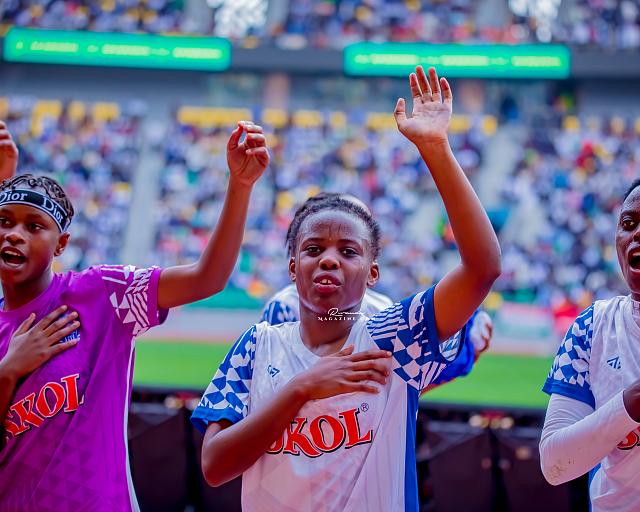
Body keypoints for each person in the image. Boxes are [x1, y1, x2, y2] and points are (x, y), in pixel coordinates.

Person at [192, 66, 501, 511]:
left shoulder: (393, 336)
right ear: (292, 267)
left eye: (349, 251)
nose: (329, 259)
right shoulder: (258, 345)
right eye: (314, 248)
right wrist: (302, 387)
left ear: (373, 273)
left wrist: (435, 148)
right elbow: (214, 465)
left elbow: (482, 268)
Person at [0, 121, 269, 511]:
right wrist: (9, 371)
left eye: (34, 226)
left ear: (61, 244)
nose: (14, 234)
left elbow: (207, 277)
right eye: (4, 221)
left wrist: (240, 187)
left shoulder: (101, 294)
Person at [261, 192, 494, 393]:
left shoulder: (382, 307)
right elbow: (271, 391)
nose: (330, 259)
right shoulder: (285, 307)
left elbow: (398, 389)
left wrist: (467, 352)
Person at [540, 178, 640, 512]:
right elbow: (554, 463)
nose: (636, 234)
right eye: (628, 224)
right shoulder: (593, 326)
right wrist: (628, 405)